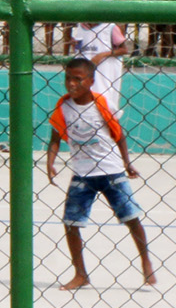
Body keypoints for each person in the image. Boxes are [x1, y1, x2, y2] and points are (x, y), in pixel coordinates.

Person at [46, 58, 155, 290]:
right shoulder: (64, 106)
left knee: (131, 218)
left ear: (91, 81)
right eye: (68, 78)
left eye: (78, 79)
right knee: (71, 223)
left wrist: (127, 163)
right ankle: (81, 273)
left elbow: (119, 134)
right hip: (82, 174)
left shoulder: (102, 103)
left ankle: (146, 261)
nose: (71, 84)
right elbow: (55, 137)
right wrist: (50, 161)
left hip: (111, 172)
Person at [69, 17, 126, 114]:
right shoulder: (80, 27)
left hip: (104, 76)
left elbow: (124, 50)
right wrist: (74, 45)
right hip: (85, 77)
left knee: (104, 107)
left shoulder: (110, 28)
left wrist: (102, 55)